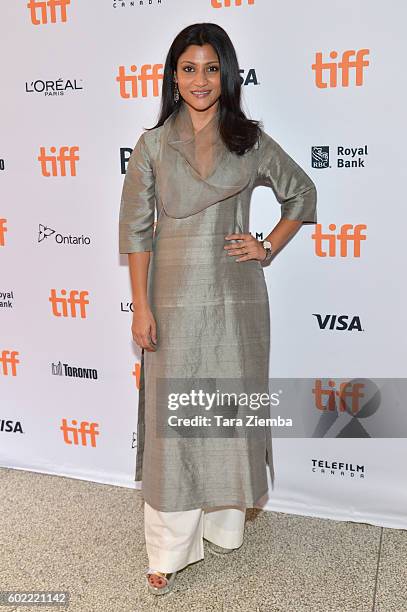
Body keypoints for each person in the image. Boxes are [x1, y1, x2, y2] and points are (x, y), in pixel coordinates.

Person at [119, 22, 317, 596]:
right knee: (173, 425)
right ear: (173, 77)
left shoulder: (249, 140)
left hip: (236, 300)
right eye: (188, 68)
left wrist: (268, 245)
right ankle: (168, 548)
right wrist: (140, 306)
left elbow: (302, 194)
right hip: (172, 300)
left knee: (225, 413)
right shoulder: (153, 146)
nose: (200, 80)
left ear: (226, 75)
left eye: (211, 68)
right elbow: (135, 233)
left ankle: (224, 527)